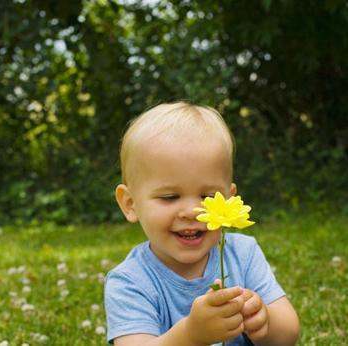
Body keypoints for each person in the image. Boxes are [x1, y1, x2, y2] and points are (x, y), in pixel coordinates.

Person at [104, 102, 300, 345]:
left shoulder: (243, 254)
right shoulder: (129, 281)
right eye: (169, 197)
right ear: (130, 204)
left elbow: (289, 334)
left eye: (208, 197)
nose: (192, 211)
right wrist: (190, 335)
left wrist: (263, 319)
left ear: (229, 199)